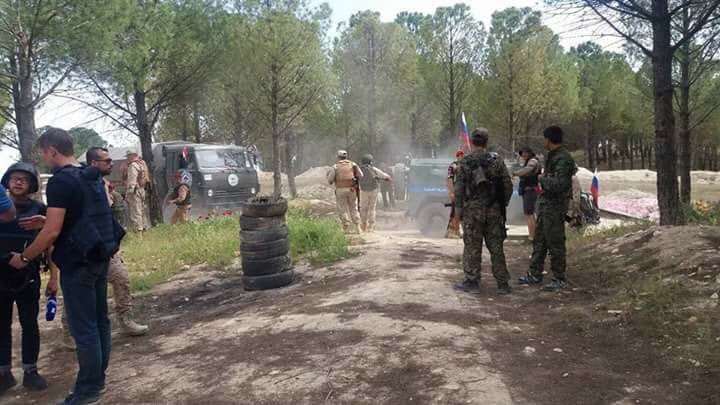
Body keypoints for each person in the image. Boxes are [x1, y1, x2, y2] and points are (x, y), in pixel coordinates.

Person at [8, 128, 125, 405]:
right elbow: (81, 216)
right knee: (100, 323)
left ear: (52, 150)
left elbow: (51, 234)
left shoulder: (61, 181)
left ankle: (87, 392)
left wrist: (24, 258)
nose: (43, 158)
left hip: (78, 263)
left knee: (84, 328)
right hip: (98, 256)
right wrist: (46, 220)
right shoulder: (89, 174)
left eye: (43, 153)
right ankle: (98, 382)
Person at [60, 147, 147, 338]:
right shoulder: (77, 182)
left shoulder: (101, 182)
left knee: (121, 277)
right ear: (93, 163)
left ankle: (125, 319)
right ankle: (69, 331)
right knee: (77, 290)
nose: (112, 163)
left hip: (106, 246)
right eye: (107, 161)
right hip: (84, 247)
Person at [0, 163, 59, 394]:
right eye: (14, 178)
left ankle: (31, 371)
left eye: (23, 178)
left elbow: (50, 245)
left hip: (28, 276)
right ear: (6, 181)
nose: (18, 182)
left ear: (32, 184)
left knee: (30, 324)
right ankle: (4, 373)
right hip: (0, 275)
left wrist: (54, 277)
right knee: (1, 325)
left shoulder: (41, 209)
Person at [454, 129, 513, 295]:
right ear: (486, 142)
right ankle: (503, 284)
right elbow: (507, 186)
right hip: (494, 210)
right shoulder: (497, 161)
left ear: (472, 142)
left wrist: (457, 215)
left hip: (473, 211)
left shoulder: (464, 162)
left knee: (472, 246)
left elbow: (459, 191)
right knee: (496, 247)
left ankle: (472, 281)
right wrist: (501, 205)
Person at [519, 126, 577, 292]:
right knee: (540, 241)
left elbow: (560, 184)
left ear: (549, 139)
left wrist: (542, 180)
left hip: (555, 206)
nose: (543, 142)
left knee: (555, 242)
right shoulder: (553, 156)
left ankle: (559, 278)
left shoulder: (563, 159)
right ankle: (535, 273)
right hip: (546, 206)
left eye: (544, 138)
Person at [327, 150, 364, 234]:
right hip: (352, 189)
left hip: (340, 189)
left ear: (338, 157)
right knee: (353, 207)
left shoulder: (335, 166)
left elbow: (330, 180)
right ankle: (358, 227)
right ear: (346, 156)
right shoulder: (353, 164)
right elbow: (361, 175)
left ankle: (345, 226)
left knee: (342, 208)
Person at [512, 147, 541, 242]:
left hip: (530, 191)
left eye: (525, 153)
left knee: (529, 214)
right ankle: (534, 236)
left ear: (529, 153)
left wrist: (516, 173)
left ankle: (532, 236)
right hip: (529, 191)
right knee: (531, 214)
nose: (523, 155)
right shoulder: (529, 161)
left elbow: (527, 170)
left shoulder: (532, 161)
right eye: (522, 153)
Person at [357, 154, 391, 233]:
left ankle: (363, 225)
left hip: (363, 190)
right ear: (370, 161)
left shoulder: (359, 169)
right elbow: (384, 175)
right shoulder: (373, 169)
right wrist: (388, 178)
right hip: (373, 190)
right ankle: (371, 226)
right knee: (371, 208)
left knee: (363, 208)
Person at [124, 148, 149, 232]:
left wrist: (129, 193)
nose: (127, 158)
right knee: (142, 211)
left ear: (132, 155)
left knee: (135, 212)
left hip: (135, 191)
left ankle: (139, 233)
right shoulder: (142, 164)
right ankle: (144, 229)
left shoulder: (133, 165)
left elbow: (132, 180)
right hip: (142, 190)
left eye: (128, 156)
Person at [446, 149, 465, 239]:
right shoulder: (453, 166)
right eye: (460, 155)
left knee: (461, 213)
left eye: (462, 155)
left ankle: (457, 231)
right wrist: (451, 192)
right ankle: (450, 231)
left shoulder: (464, 166)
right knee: (454, 212)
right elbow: (450, 179)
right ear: (457, 156)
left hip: (463, 193)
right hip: (456, 191)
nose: (461, 157)